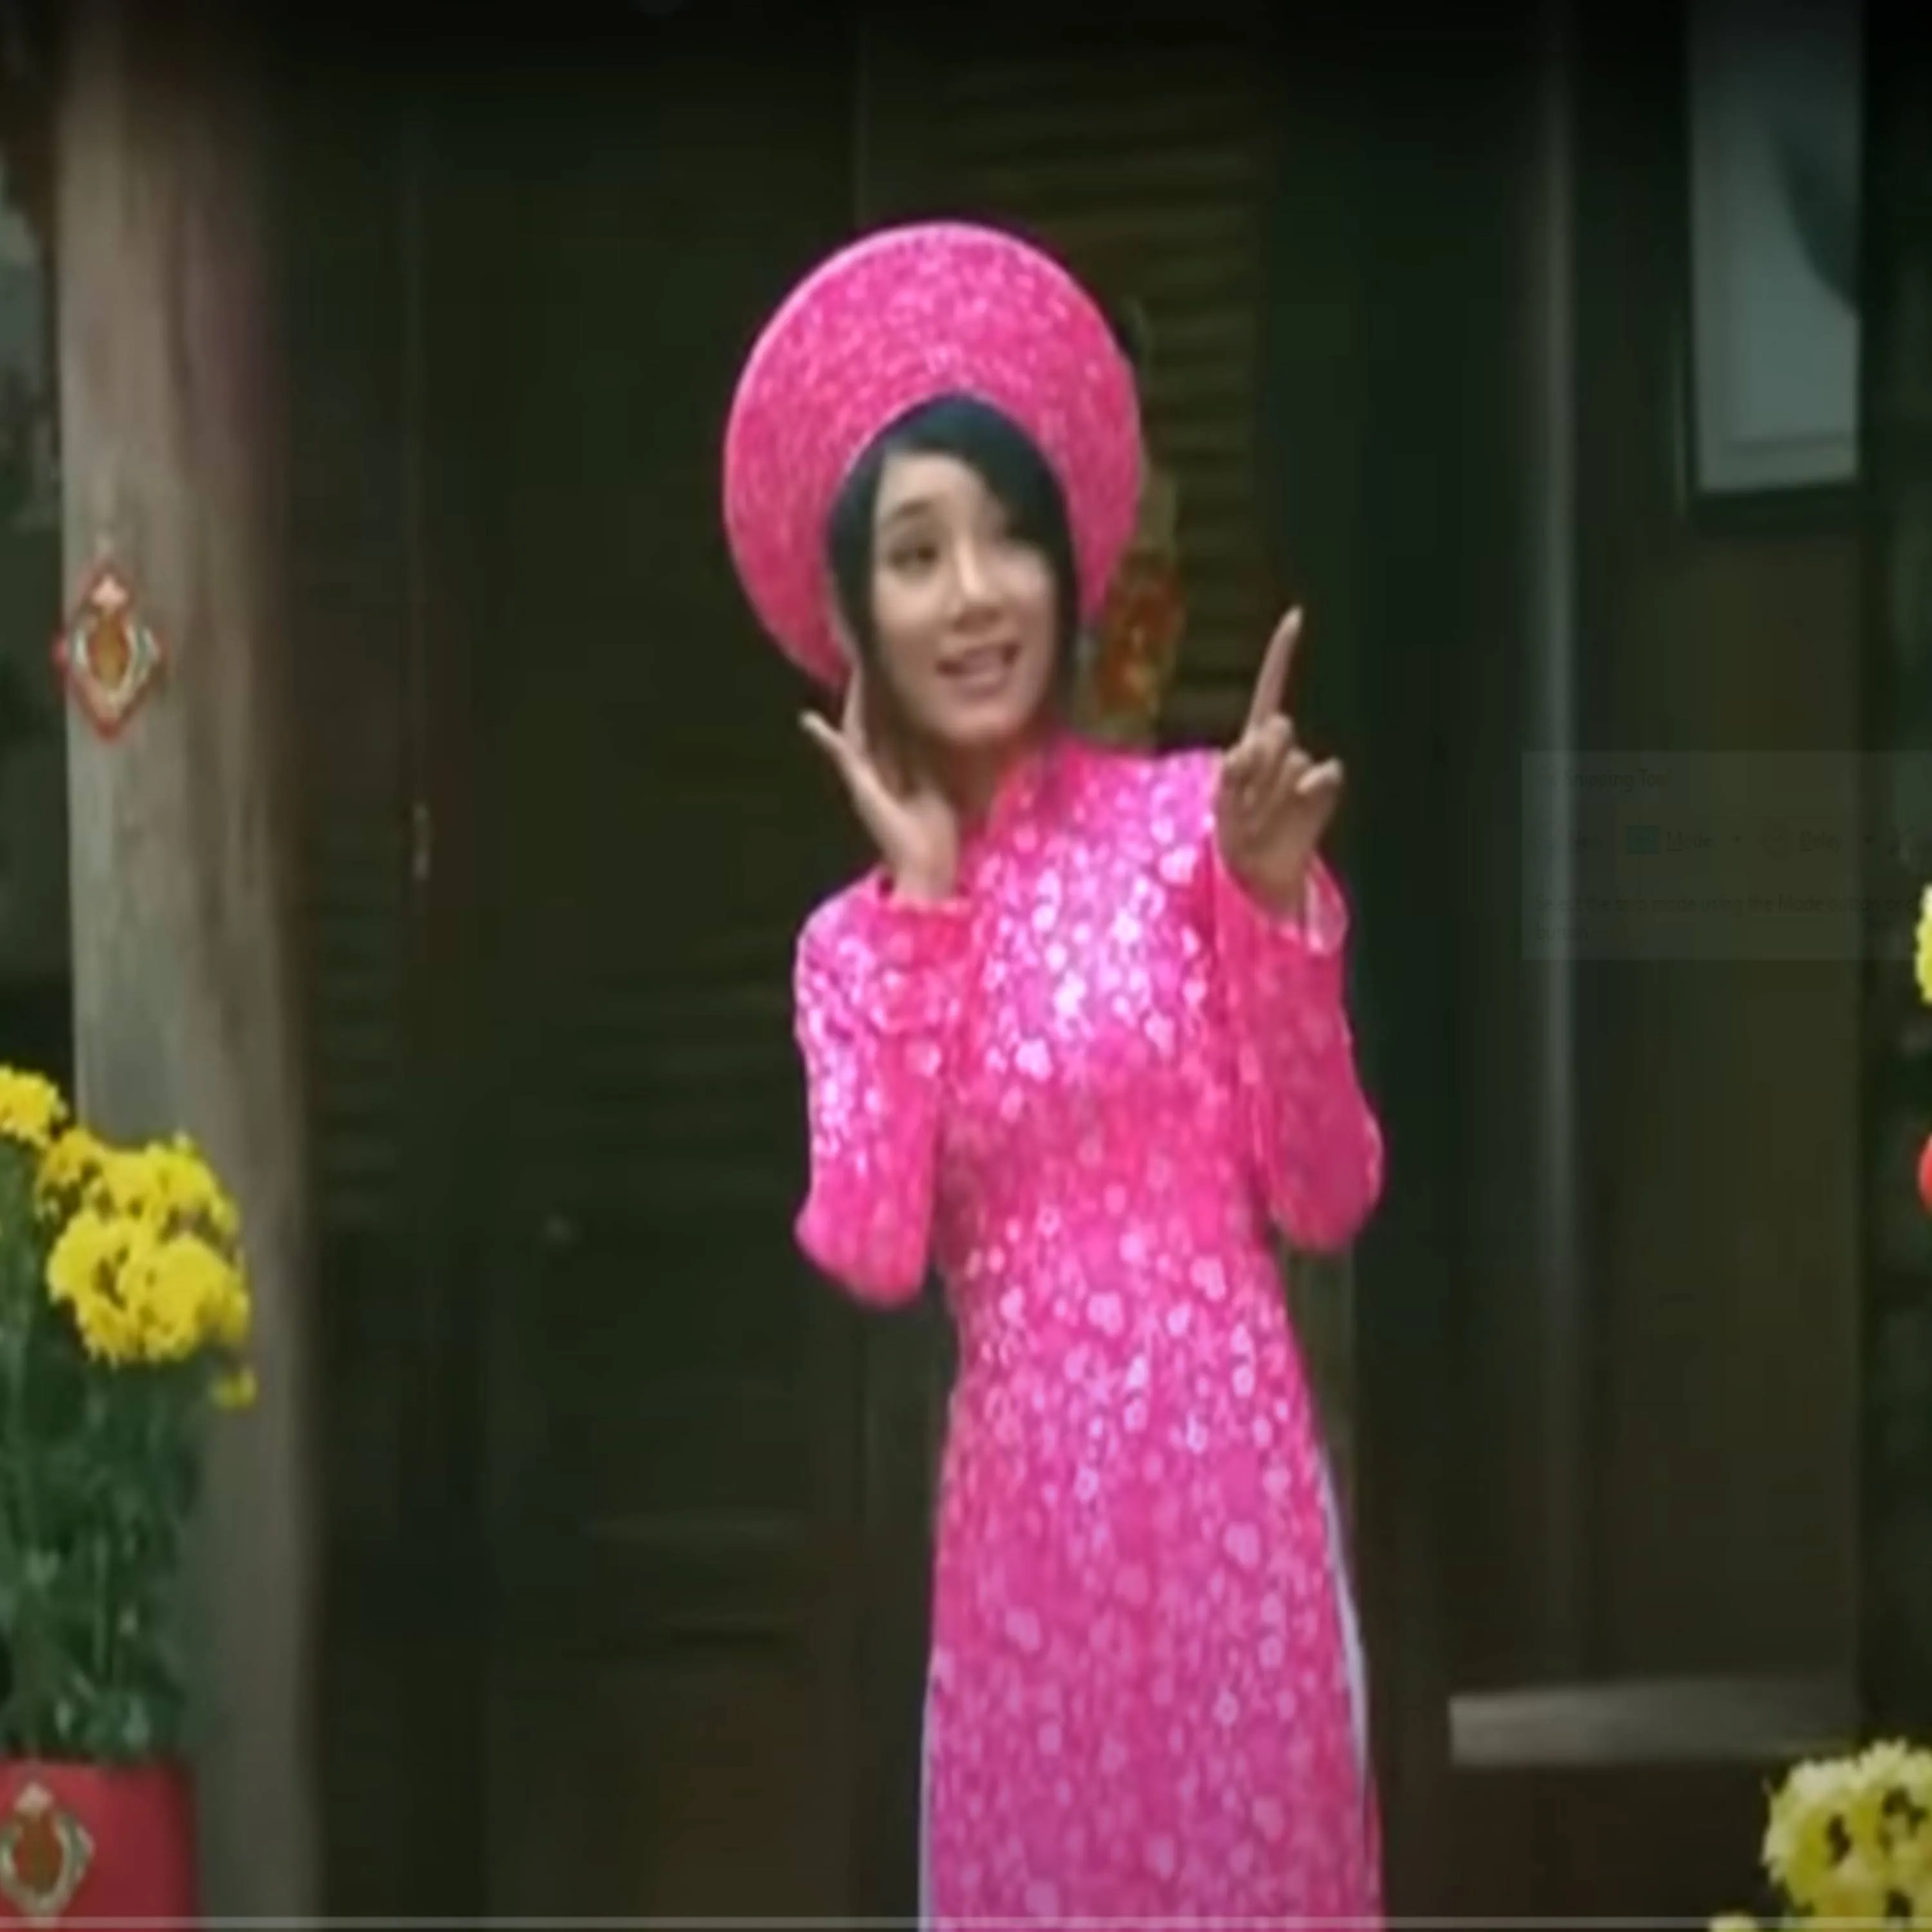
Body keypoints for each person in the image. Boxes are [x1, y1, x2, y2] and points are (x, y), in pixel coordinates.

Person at [722, 220, 1386, 1929]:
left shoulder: (1194, 832)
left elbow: (1329, 1193)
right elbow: (871, 1249)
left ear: (1068, 569)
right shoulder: (855, 943)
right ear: (856, 615)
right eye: (917, 554)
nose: (973, 594)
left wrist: (1271, 909)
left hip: (1238, 1514)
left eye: (1008, 539)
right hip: (1027, 1554)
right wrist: (926, 911)